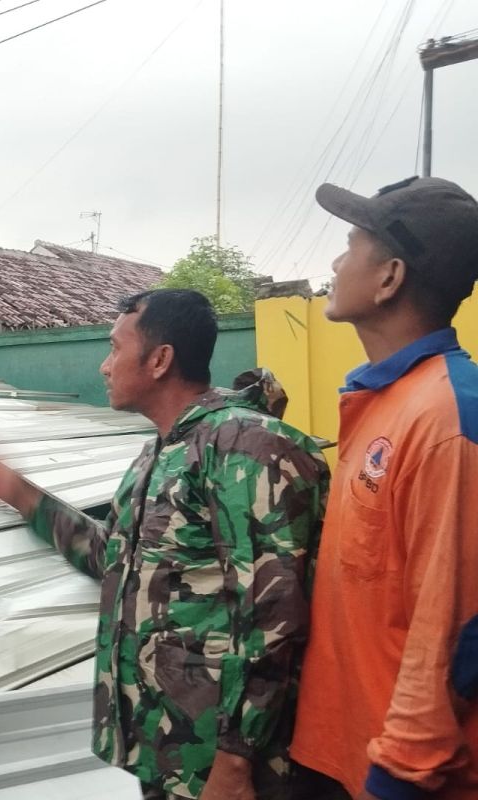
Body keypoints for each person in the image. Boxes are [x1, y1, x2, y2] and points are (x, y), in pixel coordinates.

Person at [0, 288, 329, 799]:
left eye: (115, 348)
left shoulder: (246, 448)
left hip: (233, 770)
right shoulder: (158, 455)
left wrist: (234, 765)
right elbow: (112, 558)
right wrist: (23, 496)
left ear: (160, 360)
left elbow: (273, 618)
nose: (104, 367)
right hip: (169, 754)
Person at [290, 176, 478, 800]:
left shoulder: (449, 419)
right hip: (339, 749)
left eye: (351, 243)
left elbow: (456, 628)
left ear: (390, 277)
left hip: (400, 779)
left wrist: (400, 777)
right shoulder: (384, 401)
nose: (337, 262)